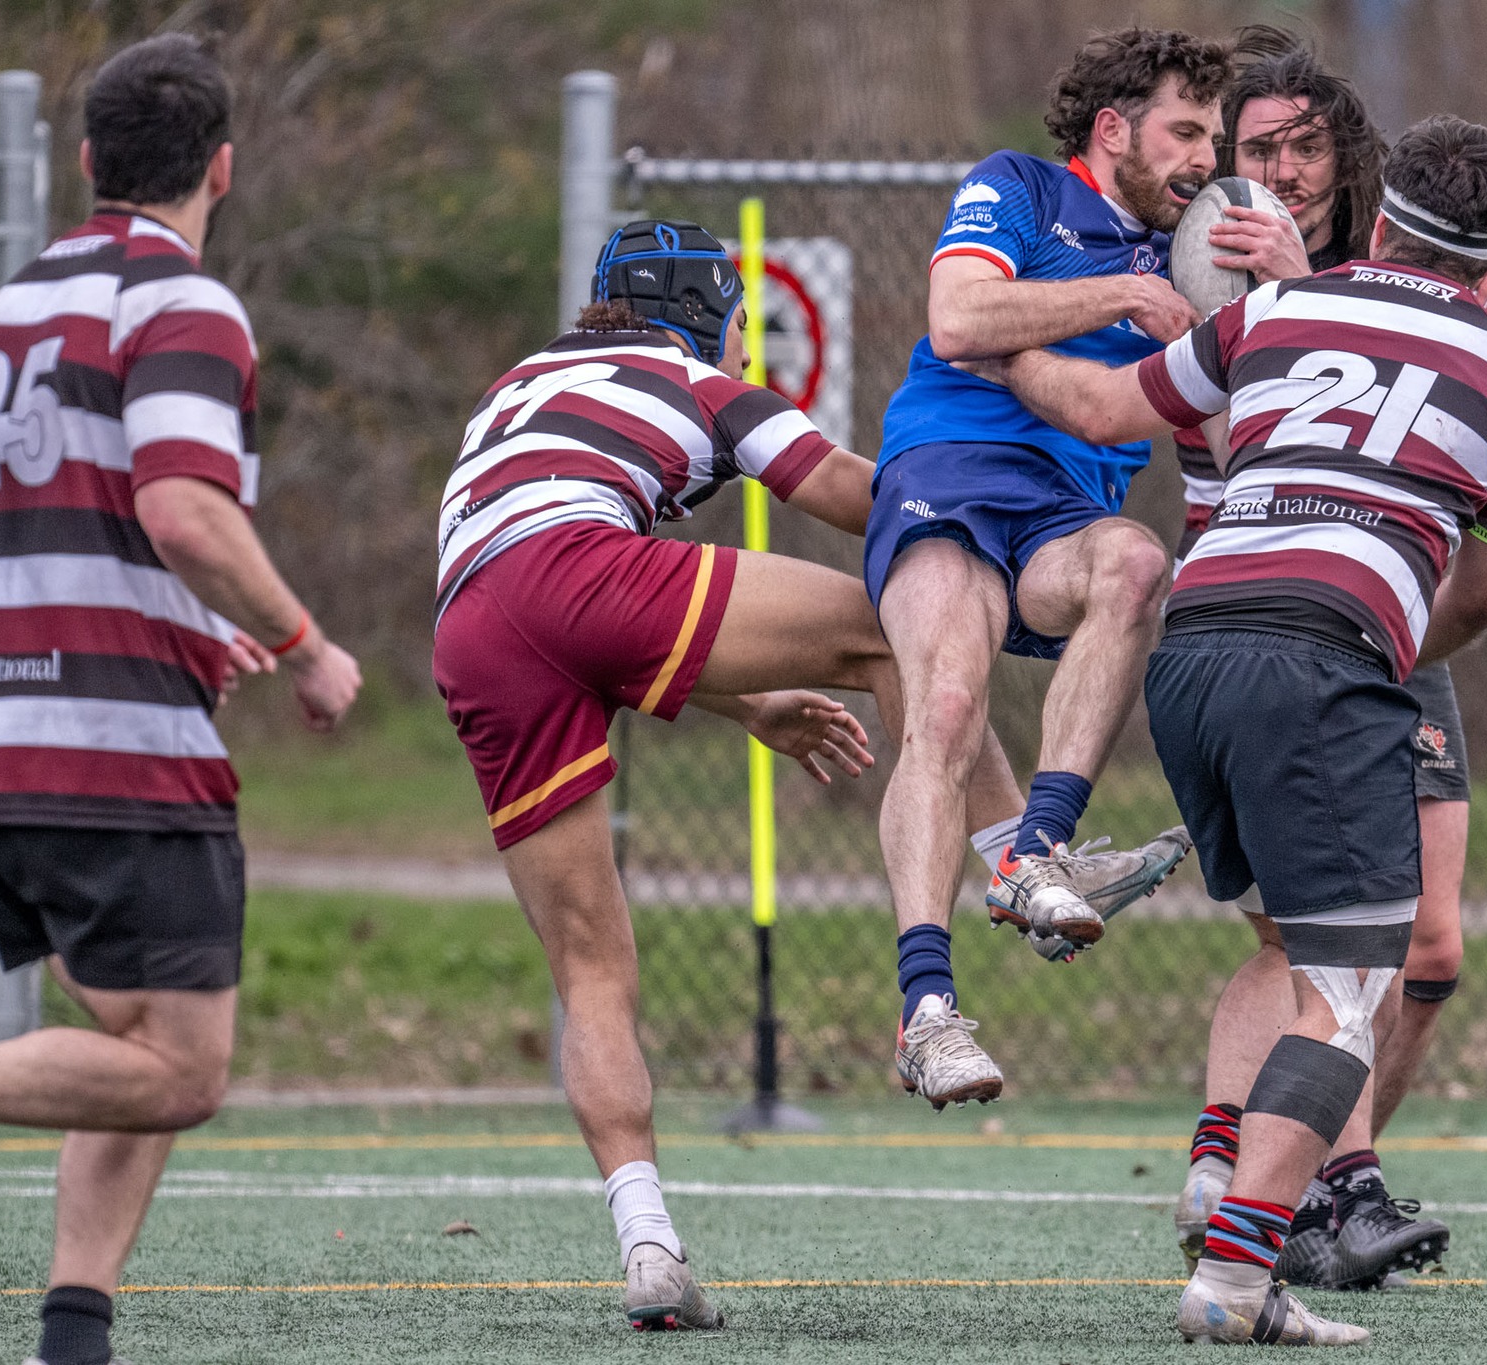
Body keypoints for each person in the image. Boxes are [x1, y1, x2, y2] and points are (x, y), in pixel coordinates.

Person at [429, 218, 1173, 1329]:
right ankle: (1019, 856)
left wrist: (751, 699)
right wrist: (989, 522)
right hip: (577, 566)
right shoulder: (700, 383)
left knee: (591, 969)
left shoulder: (519, 383)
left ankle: (649, 1252)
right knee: (887, 631)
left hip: (469, 626)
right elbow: (852, 497)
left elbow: (545, 603)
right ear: (711, 318)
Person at [970, 114, 1487, 1345]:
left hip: (1189, 643)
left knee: (1292, 947)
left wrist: (985, 348)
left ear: (1381, 217)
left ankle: (1218, 1171)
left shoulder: (1271, 315)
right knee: (1349, 993)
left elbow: (1105, 407)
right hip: (1323, 660)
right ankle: (1237, 1277)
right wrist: (1373, 642)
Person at [0, 35, 362, 1365]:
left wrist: (183, 622)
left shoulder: (14, 305)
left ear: (85, 162)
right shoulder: (183, 300)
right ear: (223, 167)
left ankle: (71, 1336)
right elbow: (184, 506)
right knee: (183, 1069)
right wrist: (302, 639)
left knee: (130, 1039)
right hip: (116, 753)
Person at [1169, 30, 1487, 1292]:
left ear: (1351, 161)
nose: (1278, 171)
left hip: (1390, 625)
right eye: (1253, 150)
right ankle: (1325, 1198)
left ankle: (1295, 1179)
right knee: (1327, 947)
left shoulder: (1429, 253)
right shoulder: (1225, 258)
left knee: (1425, 954)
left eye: (1300, 146)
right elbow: (1159, 404)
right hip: (1275, 612)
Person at [867, 27, 1230, 1101]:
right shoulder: (1019, 188)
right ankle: (925, 1014)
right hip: (949, 470)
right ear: (1113, 130)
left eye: (1213, 135)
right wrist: (1118, 297)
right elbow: (959, 316)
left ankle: (1035, 853)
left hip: (1065, 515)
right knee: (943, 710)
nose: (1203, 157)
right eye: (1183, 131)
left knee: (1133, 565)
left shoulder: (1198, 248)